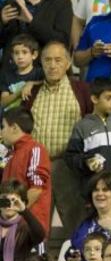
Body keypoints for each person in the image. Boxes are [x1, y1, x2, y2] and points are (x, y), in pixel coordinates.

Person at [25, 41, 92, 235]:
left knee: (76, 222)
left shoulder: (81, 90)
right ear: (41, 64)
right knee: (36, 226)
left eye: (58, 60)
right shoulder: (32, 92)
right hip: (37, 167)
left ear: (68, 63)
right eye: (47, 60)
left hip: (67, 166)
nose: (52, 65)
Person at [65, 77, 111, 191]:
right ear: (95, 99)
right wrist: (86, 162)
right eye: (108, 98)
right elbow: (71, 157)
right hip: (95, 189)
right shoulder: (82, 127)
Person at [1, 108, 51, 236]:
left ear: (14, 128)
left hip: (31, 229)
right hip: (12, 226)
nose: (1, 132)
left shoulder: (35, 149)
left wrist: (15, 213)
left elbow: (36, 189)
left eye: (3, 127)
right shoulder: (12, 154)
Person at [0, 182, 45, 261]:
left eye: (14, 201)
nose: (9, 205)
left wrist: (24, 210)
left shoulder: (25, 227)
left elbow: (40, 235)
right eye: (4, 200)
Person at [0, 33, 43, 110]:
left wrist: (32, 83)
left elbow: (49, 83)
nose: (20, 57)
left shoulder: (39, 73)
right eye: (16, 53)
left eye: (24, 52)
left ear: (34, 55)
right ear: (12, 56)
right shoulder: (7, 75)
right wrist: (19, 93)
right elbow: (3, 102)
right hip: (10, 115)